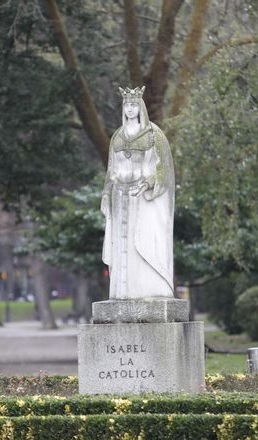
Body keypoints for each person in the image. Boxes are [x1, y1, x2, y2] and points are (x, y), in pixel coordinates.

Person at [101, 86, 174, 299]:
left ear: (139, 107)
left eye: (134, 105)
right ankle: (122, 293)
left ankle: (149, 290)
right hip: (119, 196)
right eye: (127, 105)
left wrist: (150, 182)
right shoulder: (117, 136)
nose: (130, 109)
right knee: (122, 246)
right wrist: (106, 194)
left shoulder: (153, 134)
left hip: (143, 198)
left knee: (142, 243)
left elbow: (164, 169)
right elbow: (111, 170)